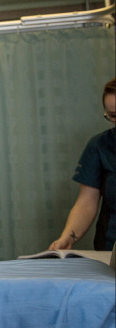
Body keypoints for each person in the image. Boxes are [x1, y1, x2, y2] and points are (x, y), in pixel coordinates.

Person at [49, 78, 116, 252]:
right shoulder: (100, 146)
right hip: (110, 249)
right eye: (113, 116)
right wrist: (68, 237)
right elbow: (86, 202)